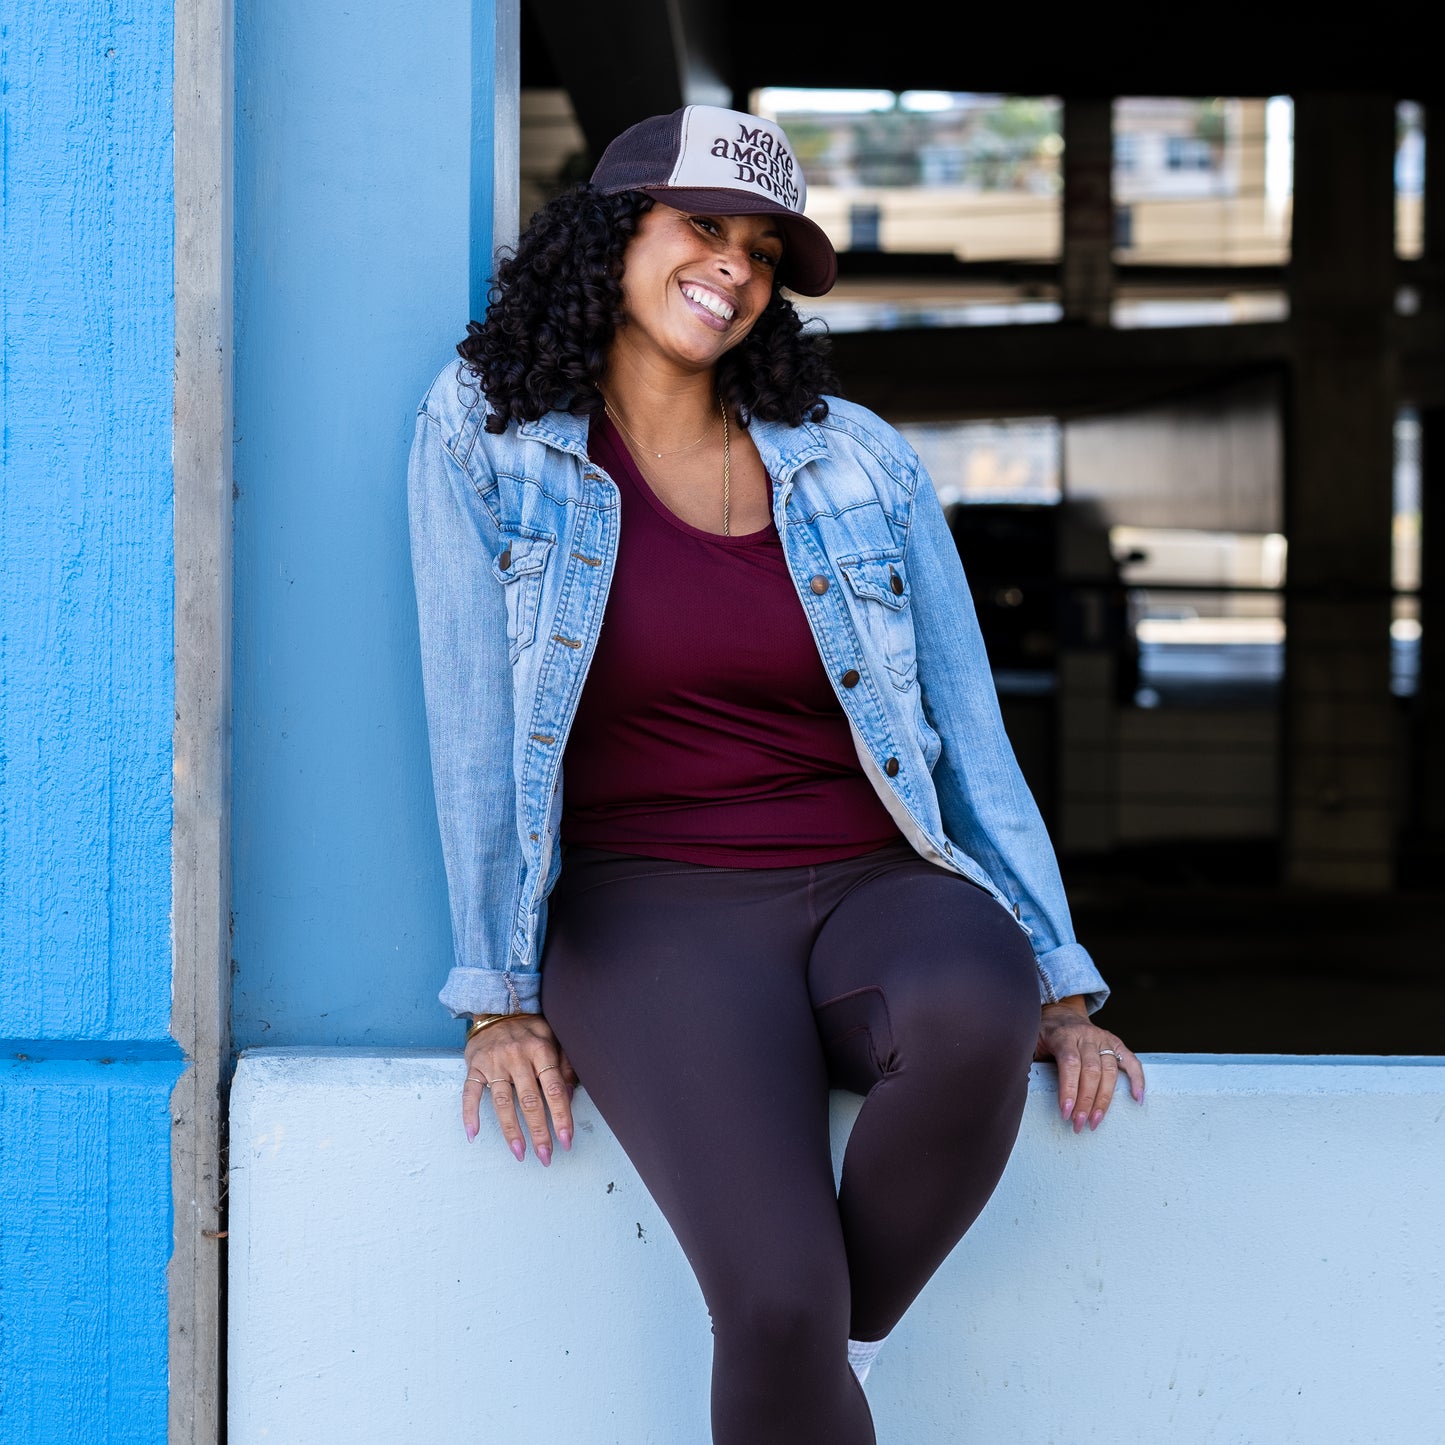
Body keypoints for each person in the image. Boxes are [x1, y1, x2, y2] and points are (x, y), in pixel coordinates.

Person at [407, 103, 1145, 1445]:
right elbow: (468, 723)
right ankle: (798, 1326)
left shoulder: (851, 455)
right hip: (649, 907)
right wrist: (497, 999)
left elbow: (964, 725)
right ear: (611, 235)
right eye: (702, 229)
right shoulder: (490, 434)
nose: (733, 269)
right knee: (774, 1301)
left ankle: (814, 1328)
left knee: (968, 1018)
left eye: (761, 249)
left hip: (874, 876)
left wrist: (1058, 977)